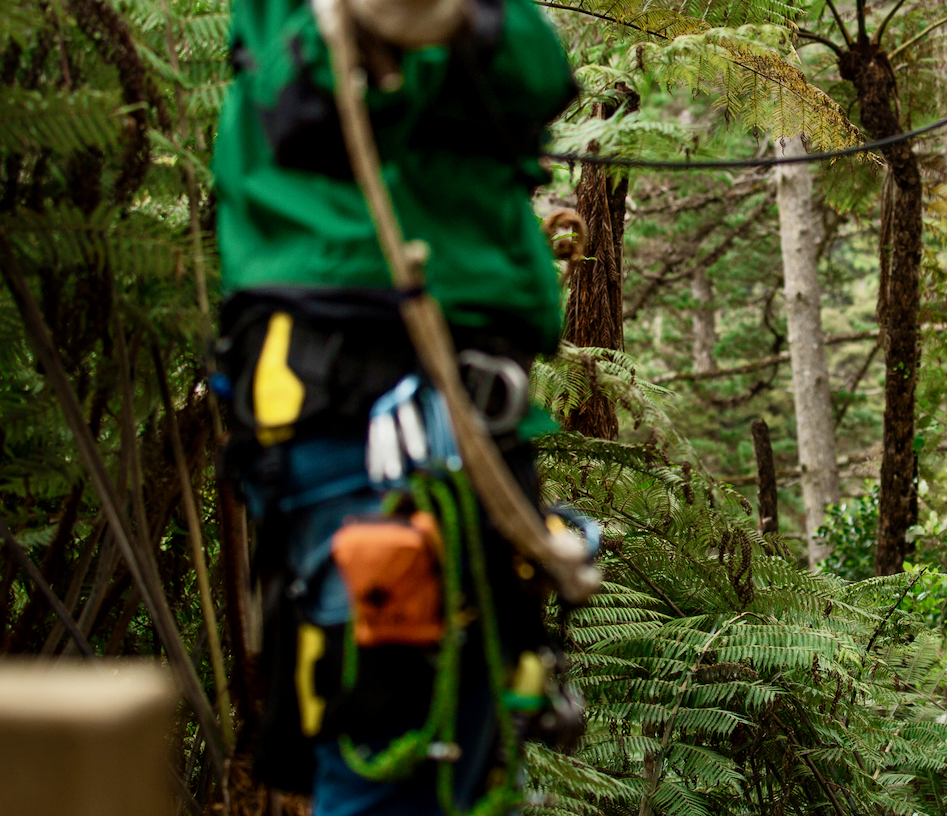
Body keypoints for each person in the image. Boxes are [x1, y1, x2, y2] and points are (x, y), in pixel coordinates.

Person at [210, 0, 579, 812]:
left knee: (475, 724)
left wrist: (466, 25)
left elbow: (542, 73)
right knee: (389, 730)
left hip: (470, 399)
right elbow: (302, 100)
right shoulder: (293, 27)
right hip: (352, 387)